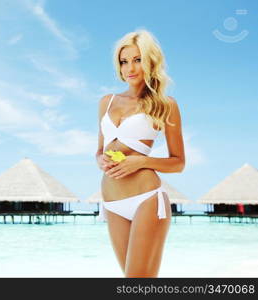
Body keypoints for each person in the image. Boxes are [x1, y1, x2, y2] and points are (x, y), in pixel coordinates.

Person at [95, 29, 185, 277]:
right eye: (124, 61)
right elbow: (99, 150)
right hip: (113, 202)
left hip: (147, 200)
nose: (130, 68)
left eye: (137, 60)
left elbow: (178, 163)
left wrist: (140, 161)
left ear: (150, 62)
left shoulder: (165, 105)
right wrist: (100, 159)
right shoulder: (107, 102)